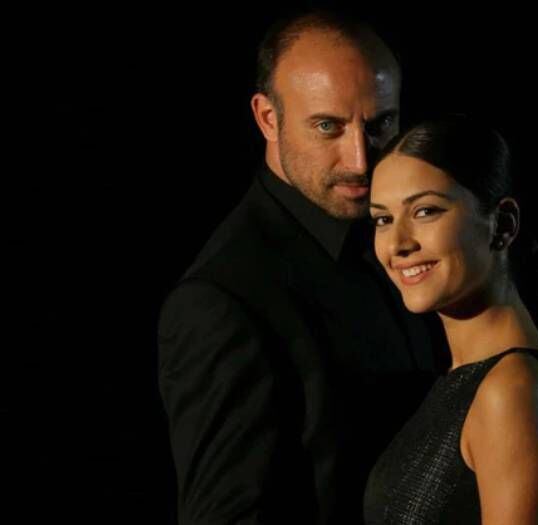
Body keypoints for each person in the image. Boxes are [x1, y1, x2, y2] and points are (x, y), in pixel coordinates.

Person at [157, 11, 439, 524]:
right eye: (328, 126)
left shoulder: (407, 233)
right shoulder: (221, 302)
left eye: (380, 124)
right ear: (268, 118)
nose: (360, 159)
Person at [363, 116, 538, 524]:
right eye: (383, 219)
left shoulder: (512, 389)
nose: (397, 244)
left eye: (426, 211)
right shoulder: (470, 381)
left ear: (503, 224)